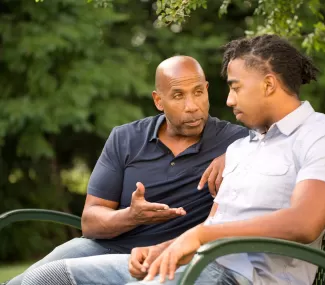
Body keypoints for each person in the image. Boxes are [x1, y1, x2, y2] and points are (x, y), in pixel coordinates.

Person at [8, 55, 248, 285]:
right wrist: (131, 216)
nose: (192, 106)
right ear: (158, 101)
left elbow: (275, 141)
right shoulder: (125, 138)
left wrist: (236, 153)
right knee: (25, 281)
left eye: (198, 92)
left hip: (174, 256)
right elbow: (90, 222)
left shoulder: (238, 141)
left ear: (207, 89)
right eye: (178, 95)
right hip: (107, 246)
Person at [137, 34, 325, 285]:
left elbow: (304, 223)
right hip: (203, 266)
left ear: (268, 85)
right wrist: (164, 249)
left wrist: (202, 235)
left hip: (245, 278)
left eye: (236, 87)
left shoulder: (320, 136)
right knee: (79, 273)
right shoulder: (240, 148)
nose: (229, 100)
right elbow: (216, 222)